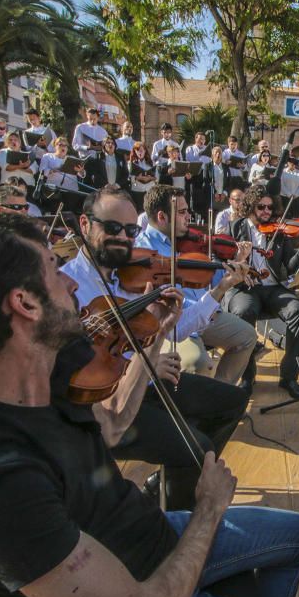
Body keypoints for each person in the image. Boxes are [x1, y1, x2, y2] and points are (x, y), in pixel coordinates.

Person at [0, 211, 299, 597]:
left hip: (152, 537)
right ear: (23, 303)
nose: (72, 282)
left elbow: (112, 424)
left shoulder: (53, 366)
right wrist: (207, 509)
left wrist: (152, 337)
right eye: (55, 270)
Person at [61, 186, 250, 508]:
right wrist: (144, 366)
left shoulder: (133, 277)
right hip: (106, 401)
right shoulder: (67, 287)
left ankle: (163, 486)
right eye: (112, 228)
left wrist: (221, 288)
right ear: (85, 224)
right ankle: (176, 520)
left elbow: (174, 327)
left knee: (233, 401)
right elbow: (77, 375)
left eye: (132, 230)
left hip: (149, 380)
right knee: (197, 448)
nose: (124, 238)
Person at [137, 185, 259, 389]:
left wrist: (234, 265)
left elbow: (206, 280)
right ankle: (192, 409)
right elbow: (167, 313)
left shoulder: (183, 241)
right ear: (162, 217)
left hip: (205, 312)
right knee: (199, 363)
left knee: (247, 336)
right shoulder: (144, 252)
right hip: (173, 324)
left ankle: (219, 394)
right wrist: (209, 301)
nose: (189, 217)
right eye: (183, 212)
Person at [226, 185, 299, 399]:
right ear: (250, 207)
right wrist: (239, 266)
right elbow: (221, 260)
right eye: (261, 207)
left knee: (298, 311)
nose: (267, 211)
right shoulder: (235, 228)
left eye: (270, 207)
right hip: (245, 289)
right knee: (244, 312)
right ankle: (247, 376)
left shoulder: (280, 233)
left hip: (273, 288)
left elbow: (291, 266)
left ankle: (289, 377)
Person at [39, 136, 86, 213]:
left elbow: (82, 175)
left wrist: (81, 170)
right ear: (55, 146)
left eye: (65, 145)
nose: (63, 147)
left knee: (69, 214)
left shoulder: (72, 158)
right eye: (60, 145)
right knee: (55, 213)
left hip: (71, 192)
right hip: (54, 192)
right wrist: (55, 169)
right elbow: (42, 171)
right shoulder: (47, 156)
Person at [128, 141, 158, 211]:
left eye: (141, 150)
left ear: (145, 151)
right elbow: (128, 178)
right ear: (134, 151)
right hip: (137, 191)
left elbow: (157, 178)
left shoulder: (152, 163)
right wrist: (137, 178)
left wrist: (151, 178)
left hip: (149, 190)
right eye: (137, 150)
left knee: (150, 211)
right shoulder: (131, 163)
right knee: (138, 212)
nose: (140, 152)